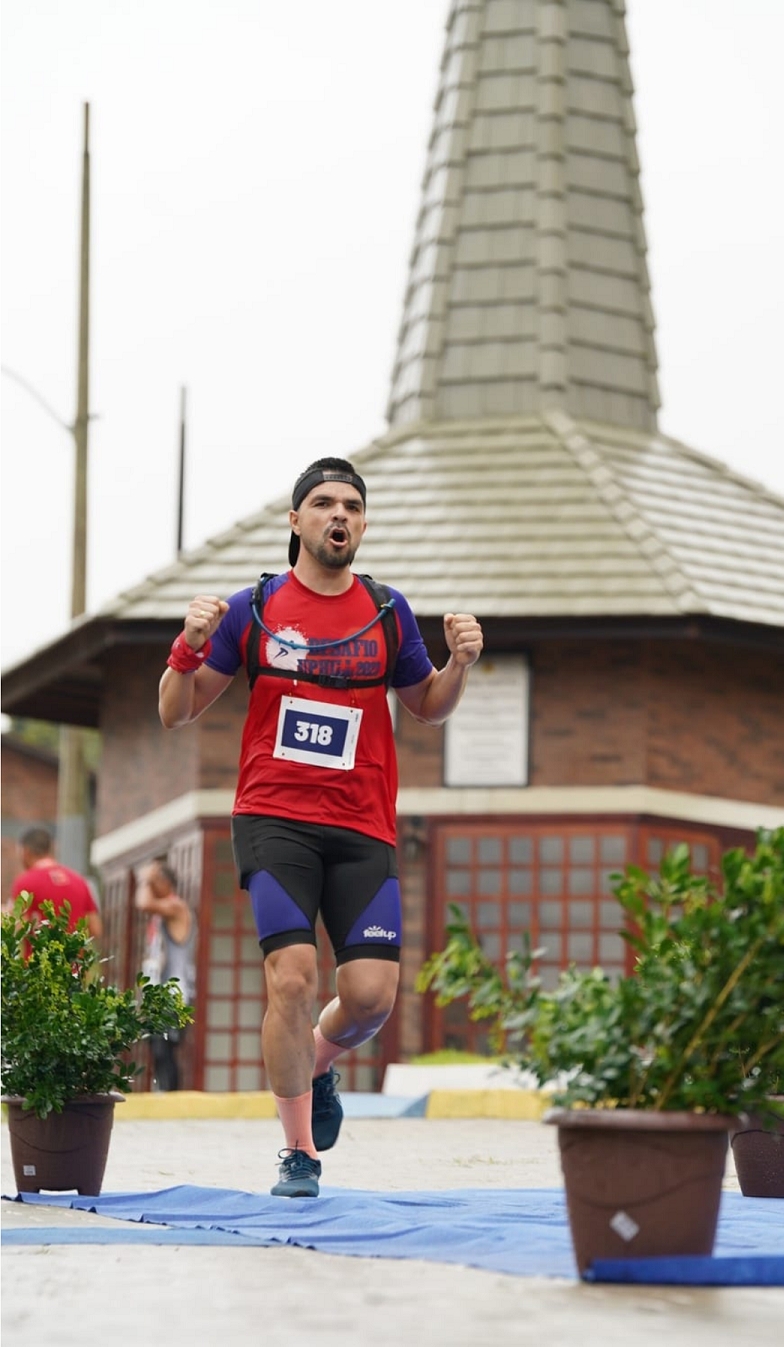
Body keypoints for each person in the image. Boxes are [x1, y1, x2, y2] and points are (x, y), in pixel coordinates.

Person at [158, 457, 483, 1198]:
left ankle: (317, 1058)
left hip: (363, 824)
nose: (340, 516)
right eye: (324, 503)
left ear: (362, 525)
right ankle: (299, 1151)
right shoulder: (256, 609)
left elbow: (427, 703)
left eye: (353, 507)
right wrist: (187, 644)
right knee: (294, 977)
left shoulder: (386, 610)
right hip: (274, 819)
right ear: (296, 520)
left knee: (370, 994)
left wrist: (460, 662)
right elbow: (175, 710)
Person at [135, 858, 196, 1091]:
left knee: (165, 1047)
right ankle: (162, 1090)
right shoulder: (161, 912)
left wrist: (145, 877)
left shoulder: (176, 907)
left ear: (164, 882)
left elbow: (143, 902)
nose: (149, 886)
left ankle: (168, 1094)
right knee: (156, 1047)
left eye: (154, 881)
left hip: (174, 992)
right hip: (157, 992)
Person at [6, 825, 103, 940]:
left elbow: (17, 929)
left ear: (25, 851)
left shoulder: (25, 883)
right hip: (76, 957)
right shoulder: (79, 881)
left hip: (39, 956)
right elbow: (96, 929)